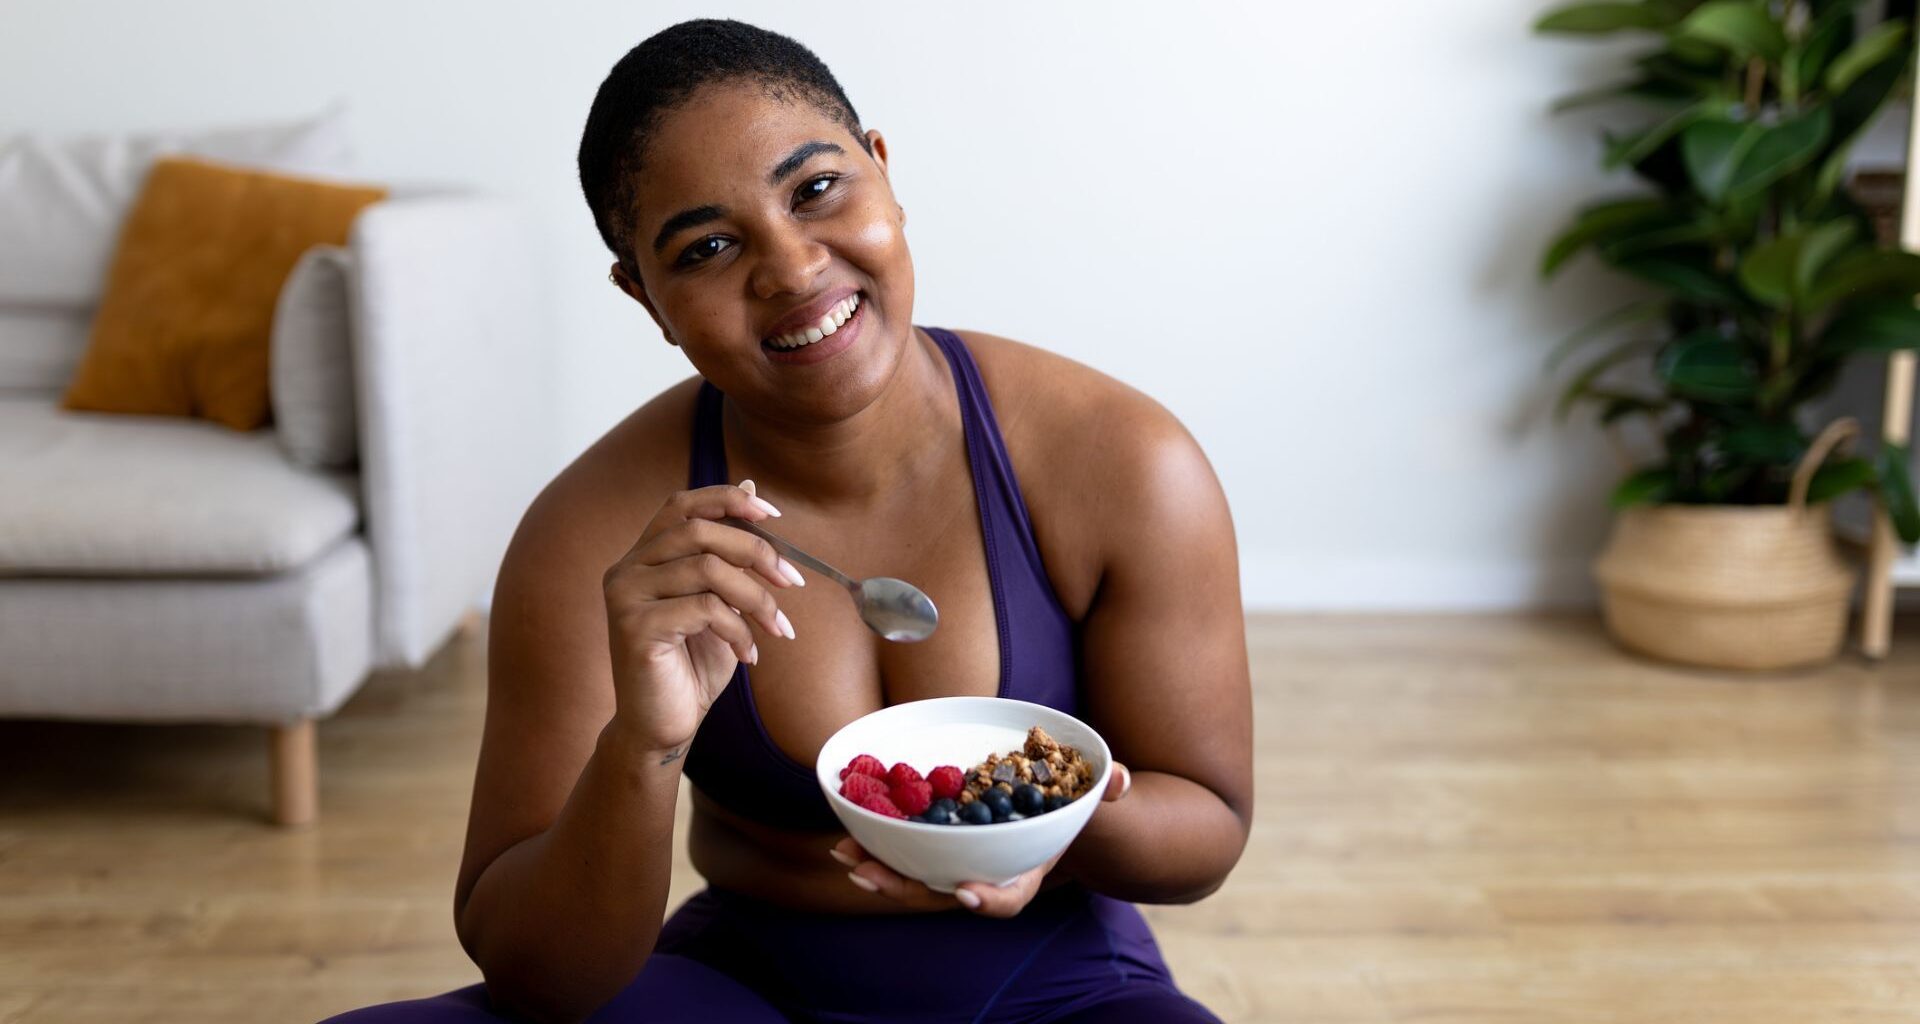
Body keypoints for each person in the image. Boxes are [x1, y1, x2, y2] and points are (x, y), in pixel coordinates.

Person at [324, 18, 1251, 1024]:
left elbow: (1209, 827)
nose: (792, 268)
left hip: (1061, 987)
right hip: (739, 990)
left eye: (817, 190)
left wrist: (1047, 825)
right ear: (646, 295)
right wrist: (642, 742)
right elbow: (536, 971)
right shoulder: (592, 536)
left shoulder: (1121, 461)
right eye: (708, 246)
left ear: (884, 173)